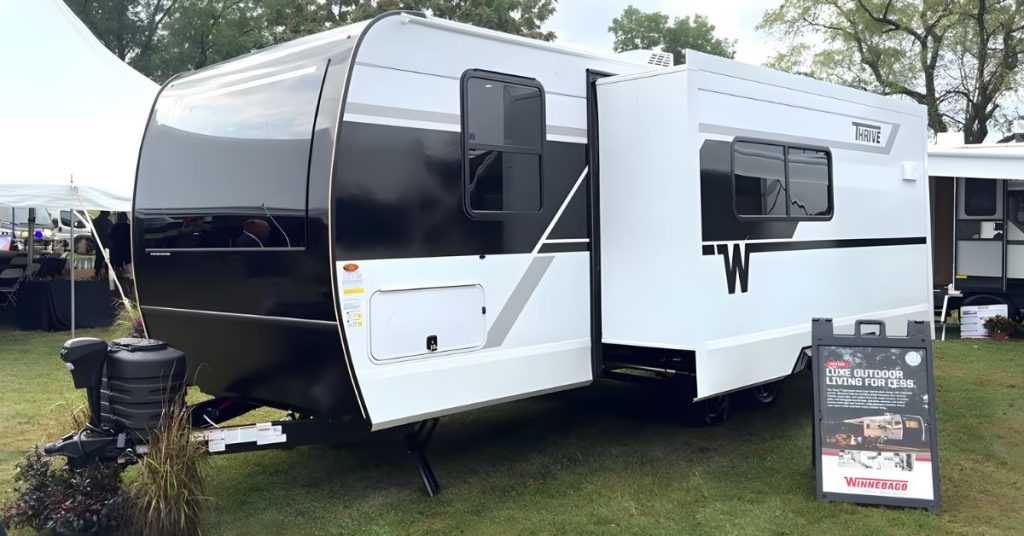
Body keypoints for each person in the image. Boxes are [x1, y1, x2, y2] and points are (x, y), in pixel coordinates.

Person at [91, 211, 114, 278]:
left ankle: (98, 274)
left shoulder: (95, 221)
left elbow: (92, 233)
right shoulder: (107, 222)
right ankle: (104, 275)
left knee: (100, 260)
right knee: (104, 260)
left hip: (102, 244)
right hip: (105, 244)